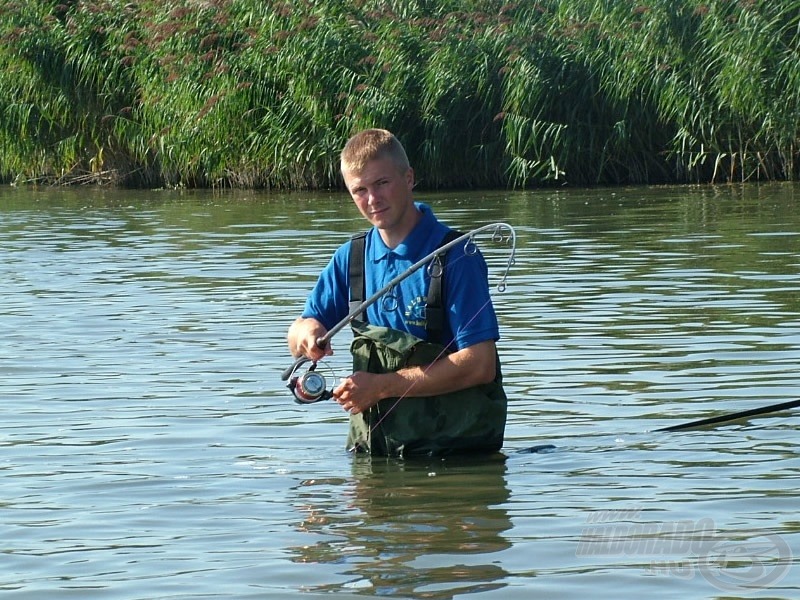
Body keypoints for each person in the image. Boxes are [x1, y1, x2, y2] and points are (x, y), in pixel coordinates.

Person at [286, 128, 507, 457]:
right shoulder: (351, 258)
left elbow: (479, 364)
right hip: (376, 455)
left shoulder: (458, 256)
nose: (372, 199)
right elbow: (298, 333)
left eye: (382, 183)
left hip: (455, 460)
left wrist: (382, 386)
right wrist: (306, 333)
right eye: (359, 190)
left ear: (409, 178)